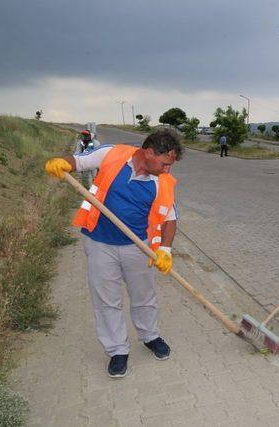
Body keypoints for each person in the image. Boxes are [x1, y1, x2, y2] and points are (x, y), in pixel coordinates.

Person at [44, 131, 183, 378]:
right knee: (107, 300)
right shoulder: (112, 153)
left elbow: (170, 219)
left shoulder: (163, 181)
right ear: (149, 152)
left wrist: (165, 250)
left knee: (144, 296)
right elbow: (79, 161)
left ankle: (150, 336)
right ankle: (117, 350)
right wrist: (64, 163)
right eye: (165, 163)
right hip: (100, 244)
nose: (167, 170)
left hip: (138, 247)